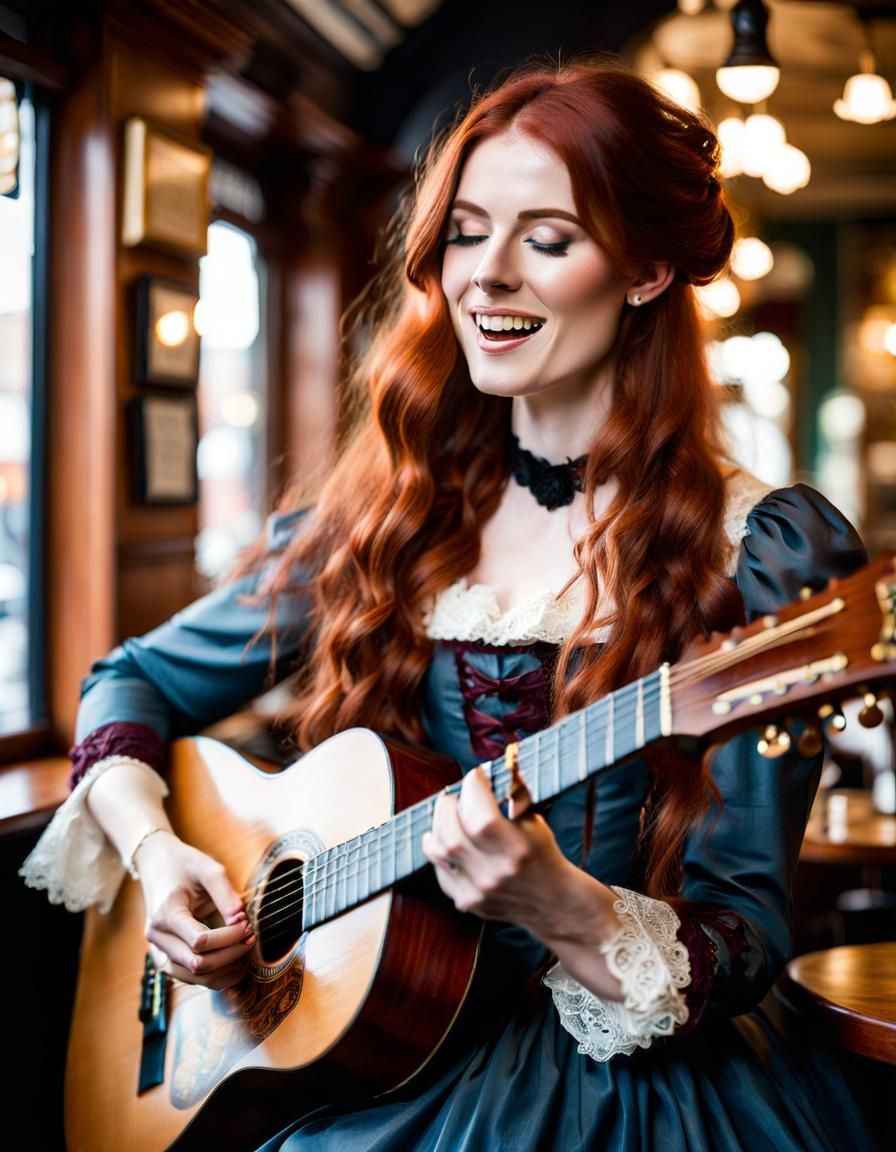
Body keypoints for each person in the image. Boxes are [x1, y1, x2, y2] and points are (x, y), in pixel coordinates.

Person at [22, 55, 877, 1151]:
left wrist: (560, 905)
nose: (486, 276)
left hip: (627, 1090)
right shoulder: (385, 522)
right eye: (466, 232)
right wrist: (154, 854)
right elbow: (128, 681)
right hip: (372, 1051)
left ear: (647, 270)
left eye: (547, 238)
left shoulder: (759, 555)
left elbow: (741, 935)